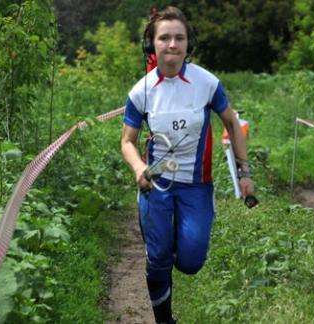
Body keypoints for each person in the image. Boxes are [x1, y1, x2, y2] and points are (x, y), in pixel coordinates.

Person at [120, 6, 255, 324]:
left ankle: (174, 245)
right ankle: (164, 319)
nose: (172, 44)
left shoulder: (206, 83)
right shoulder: (140, 92)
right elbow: (128, 141)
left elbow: (232, 123)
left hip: (196, 185)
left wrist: (245, 172)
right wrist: (139, 167)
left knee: (191, 261)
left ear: (187, 44)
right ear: (152, 44)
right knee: (158, 261)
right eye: (164, 37)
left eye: (179, 38)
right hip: (157, 186)